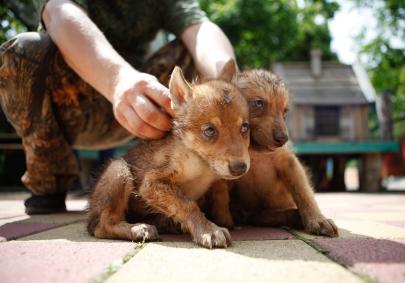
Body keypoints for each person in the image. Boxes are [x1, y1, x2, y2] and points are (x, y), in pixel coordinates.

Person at [0, 0, 236, 214]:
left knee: (192, 52)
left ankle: (194, 180)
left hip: (143, 110)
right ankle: (49, 176)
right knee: (24, 49)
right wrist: (118, 81)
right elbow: (59, 12)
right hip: (69, 109)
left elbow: (200, 29)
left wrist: (229, 88)